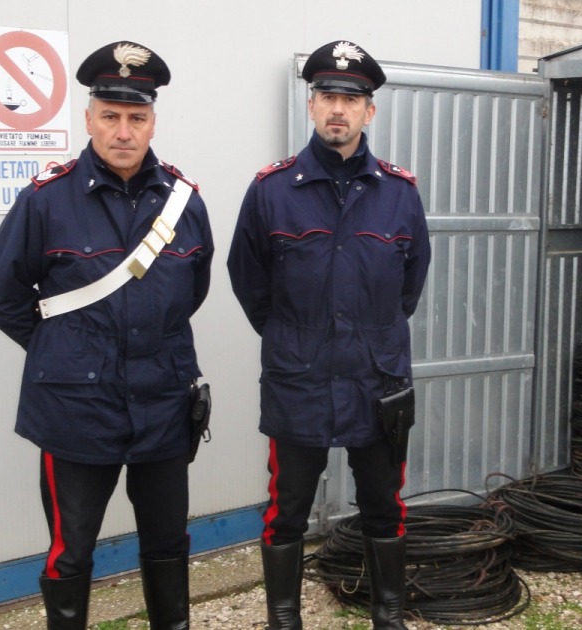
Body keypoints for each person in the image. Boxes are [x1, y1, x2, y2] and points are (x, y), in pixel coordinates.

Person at [0, 40, 212, 630]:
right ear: (88, 119)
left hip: (162, 402)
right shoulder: (46, 201)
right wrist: (64, 349)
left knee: (167, 541)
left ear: (153, 121)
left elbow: (192, 291)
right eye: (110, 116)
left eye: (136, 117)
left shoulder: (184, 203)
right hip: (75, 409)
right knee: (71, 549)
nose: (123, 132)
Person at [227, 40, 431, 630]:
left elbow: (410, 284)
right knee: (286, 508)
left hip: (378, 381)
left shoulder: (399, 193)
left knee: (383, 504)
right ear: (311, 105)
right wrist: (295, 337)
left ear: (370, 111)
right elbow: (248, 280)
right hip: (300, 381)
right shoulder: (271, 190)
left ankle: (388, 615)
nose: (338, 109)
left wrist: (370, 336)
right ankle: (283, 618)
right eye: (327, 96)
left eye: (351, 99)